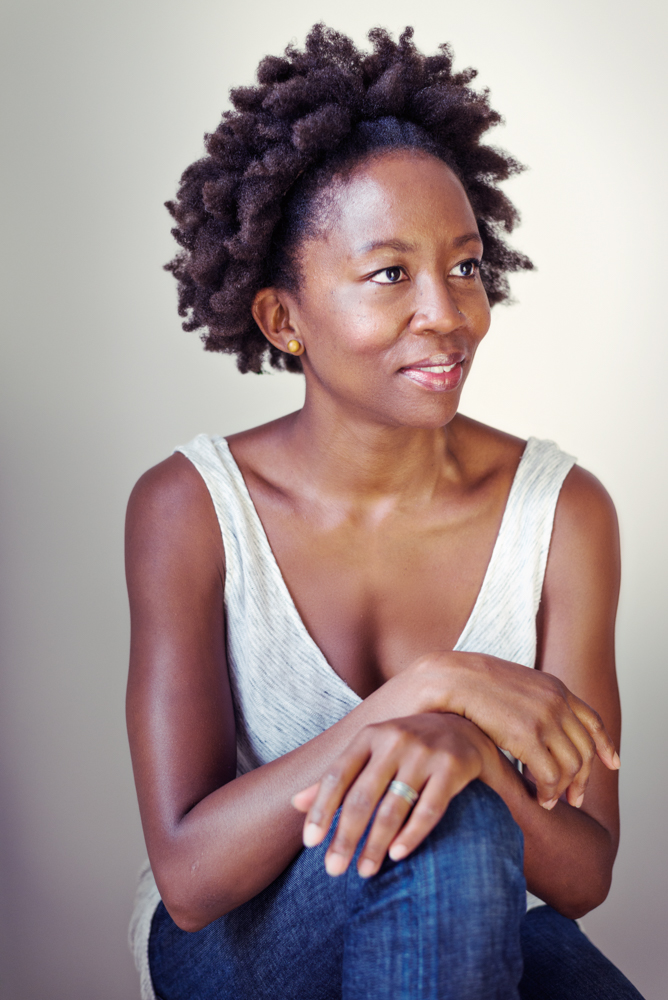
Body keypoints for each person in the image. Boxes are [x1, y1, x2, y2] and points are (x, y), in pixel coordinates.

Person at [126, 24, 644, 1000]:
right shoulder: (191, 508)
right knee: (448, 818)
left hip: (469, 905)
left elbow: (580, 870)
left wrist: (467, 760)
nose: (447, 314)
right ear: (284, 320)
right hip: (246, 943)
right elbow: (190, 880)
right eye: (388, 274)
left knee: (489, 863)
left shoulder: (560, 511)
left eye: (462, 265)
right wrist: (425, 696)